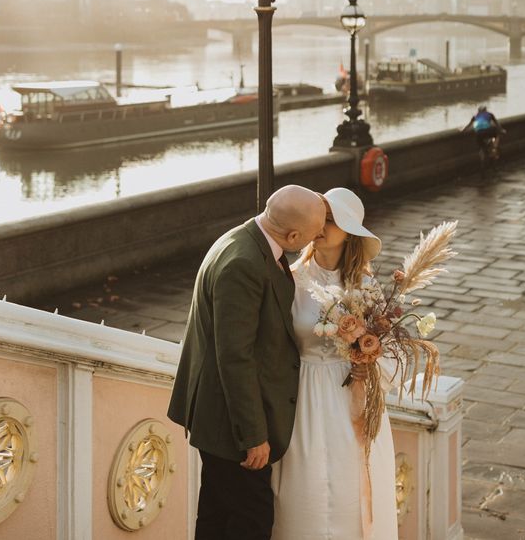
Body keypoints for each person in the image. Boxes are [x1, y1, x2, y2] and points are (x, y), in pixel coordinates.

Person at [168, 184, 327, 540]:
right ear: (294, 235)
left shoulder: (246, 237)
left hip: (220, 415)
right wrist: (254, 436)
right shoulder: (244, 263)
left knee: (217, 515)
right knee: (252, 519)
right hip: (230, 423)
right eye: (314, 235)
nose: (317, 240)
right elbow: (234, 357)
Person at [272, 187, 398, 540]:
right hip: (303, 398)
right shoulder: (290, 279)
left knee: (350, 491)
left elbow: (388, 354)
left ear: (350, 234)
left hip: (351, 398)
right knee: (304, 493)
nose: (322, 225)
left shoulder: (368, 287)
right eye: (321, 217)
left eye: (332, 220)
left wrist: (368, 364)